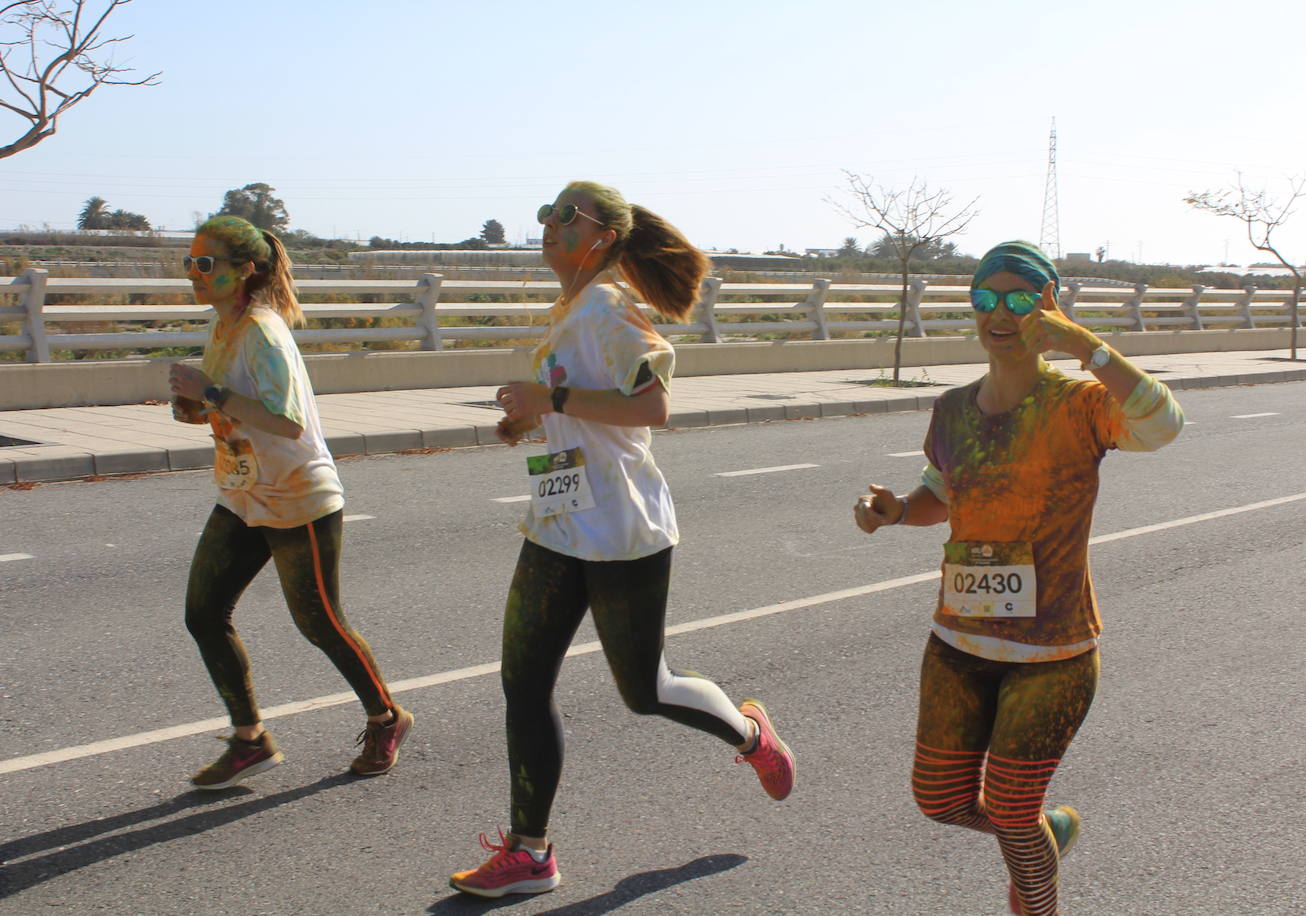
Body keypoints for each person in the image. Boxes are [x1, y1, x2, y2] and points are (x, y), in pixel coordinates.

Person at [449, 182, 795, 898]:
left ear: (603, 235)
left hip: (623, 530)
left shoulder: (609, 304)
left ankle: (751, 734)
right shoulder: (573, 308)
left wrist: (553, 400)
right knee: (523, 682)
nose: (548, 225)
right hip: (558, 521)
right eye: (545, 213)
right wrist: (534, 420)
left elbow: (652, 405)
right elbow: (584, 411)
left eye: (565, 217)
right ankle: (530, 852)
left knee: (645, 690)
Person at [852, 241, 1183, 916]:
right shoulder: (950, 410)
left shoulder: (1081, 404)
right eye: (985, 299)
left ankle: (1034, 880)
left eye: (1019, 299)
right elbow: (941, 494)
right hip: (957, 643)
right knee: (939, 800)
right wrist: (894, 514)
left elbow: (1164, 424)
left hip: (1052, 653)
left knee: (1008, 805)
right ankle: (1044, 833)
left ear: (1048, 305)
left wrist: (1082, 343)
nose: (999, 314)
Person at [168, 215, 412, 790]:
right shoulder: (224, 325)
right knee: (204, 614)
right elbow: (236, 406)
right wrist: (201, 406)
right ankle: (250, 739)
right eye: (190, 263)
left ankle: (387, 717)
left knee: (320, 623)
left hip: (297, 497)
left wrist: (210, 392)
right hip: (243, 493)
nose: (195, 274)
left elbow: (286, 419)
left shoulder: (261, 330)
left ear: (244, 272)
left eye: (207, 265)